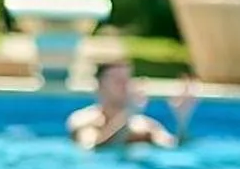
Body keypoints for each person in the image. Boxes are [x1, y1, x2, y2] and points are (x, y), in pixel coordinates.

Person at [65, 60, 197, 150]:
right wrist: (128, 113)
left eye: (127, 80)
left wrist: (182, 121)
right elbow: (90, 148)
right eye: (117, 81)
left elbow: (173, 148)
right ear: (100, 86)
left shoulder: (144, 125)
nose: (124, 86)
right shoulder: (84, 120)